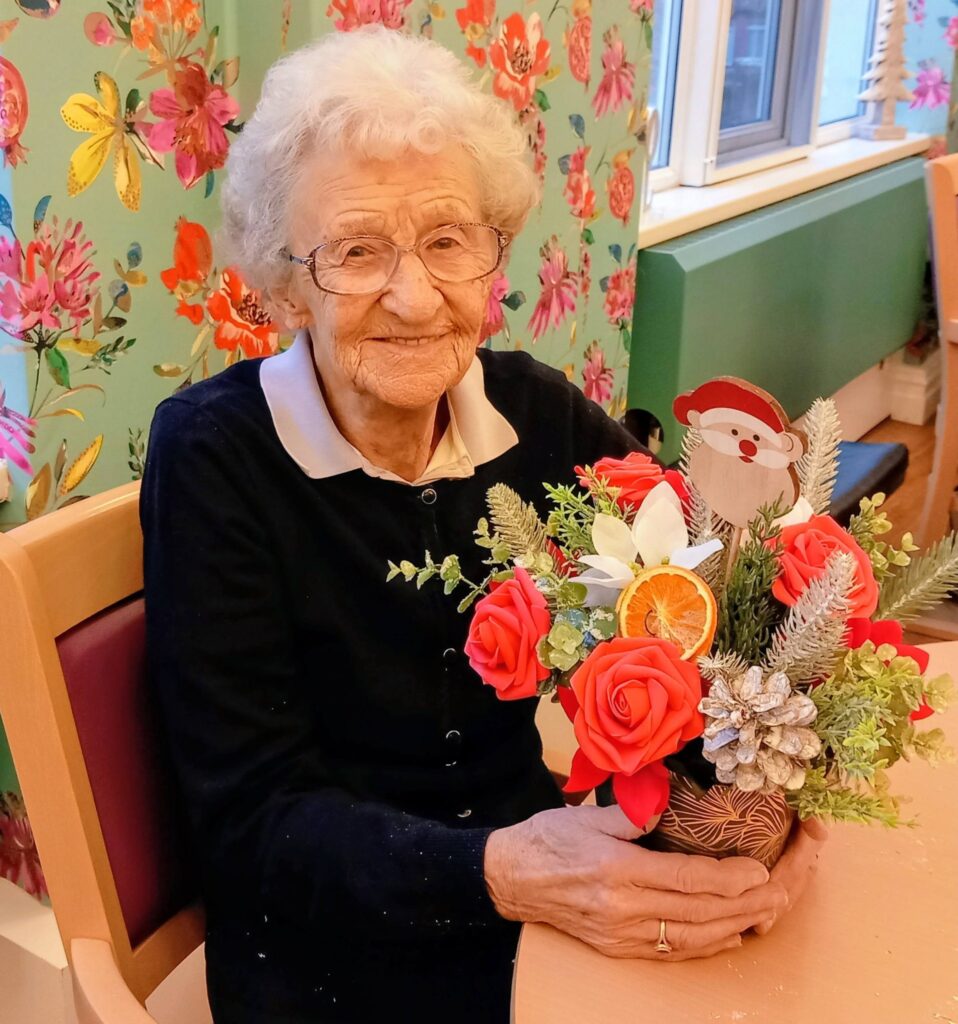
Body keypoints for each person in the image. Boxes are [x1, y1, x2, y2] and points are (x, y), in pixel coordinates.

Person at [139, 26, 825, 1024]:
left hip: (543, 880)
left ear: (492, 251)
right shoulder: (214, 458)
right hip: (330, 948)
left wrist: (757, 813)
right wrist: (504, 871)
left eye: (448, 240)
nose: (414, 296)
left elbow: (711, 589)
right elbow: (253, 822)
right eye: (356, 250)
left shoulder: (531, 410)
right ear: (285, 281)